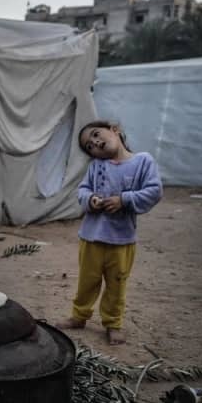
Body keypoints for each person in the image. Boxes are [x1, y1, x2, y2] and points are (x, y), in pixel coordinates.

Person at [58, 120, 162, 345]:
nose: (94, 143)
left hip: (122, 240)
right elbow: (83, 190)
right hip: (91, 238)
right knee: (87, 280)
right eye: (89, 146)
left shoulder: (143, 161)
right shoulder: (96, 166)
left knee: (116, 284)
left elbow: (154, 191)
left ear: (115, 129)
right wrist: (91, 199)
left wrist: (125, 200)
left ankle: (113, 323)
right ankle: (79, 316)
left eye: (96, 135)